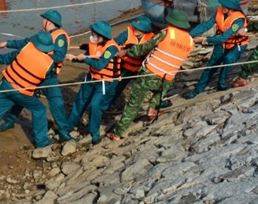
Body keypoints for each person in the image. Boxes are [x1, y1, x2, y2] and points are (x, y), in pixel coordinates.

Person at [106, 10, 194, 141]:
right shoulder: (190, 41)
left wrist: (126, 52)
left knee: (133, 104)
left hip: (150, 72)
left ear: (171, 23)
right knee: (159, 94)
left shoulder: (167, 33)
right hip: (168, 76)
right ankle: (152, 110)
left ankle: (117, 133)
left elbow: (144, 48)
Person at [0, 10, 72, 142]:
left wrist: (40, 59)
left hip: (48, 75)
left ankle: (63, 131)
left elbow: (59, 56)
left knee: (56, 102)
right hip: (34, 72)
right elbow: (26, 43)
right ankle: (11, 121)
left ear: (49, 22)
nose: (42, 21)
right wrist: (7, 43)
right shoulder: (42, 35)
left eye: (44, 19)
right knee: (22, 96)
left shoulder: (60, 38)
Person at [0, 31, 56, 149]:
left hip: (6, 85)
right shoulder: (49, 64)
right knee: (40, 109)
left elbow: (7, 58)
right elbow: (45, 80)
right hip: (22, 93)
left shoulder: (26, 48)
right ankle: (42, 142)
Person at [183, 0, 249, 99]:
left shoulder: (238, 20)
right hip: (221, 44)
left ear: (231, 8)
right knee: (211, 66)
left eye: (225, 6)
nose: (222, 7)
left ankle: (221, 82)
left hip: (236, 45)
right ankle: (197, 91)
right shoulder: (219, 12)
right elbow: (206, 25)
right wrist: (189, 35)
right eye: (222, 5)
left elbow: (224, 37)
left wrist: (204, 39)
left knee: (229, 59)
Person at [66, 21, 119, 144]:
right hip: (91, 78)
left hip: (104, 82)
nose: (92, 36)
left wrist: (85, 59)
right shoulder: (94, 44)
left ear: (102, 36)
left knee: (95, 105)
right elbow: (86, 57)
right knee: (80, 101)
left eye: (94, 34)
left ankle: (94, 131)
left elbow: (100, 64)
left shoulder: (110, 48)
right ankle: (69, 125)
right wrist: (73, 58)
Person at [101, 16, 156, 112]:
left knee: (149, 86)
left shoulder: (151, 38)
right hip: (125, 66)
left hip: (141, 68)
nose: (135, 30)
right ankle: (104, 108)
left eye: (138, 29)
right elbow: (114, 44)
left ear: (145, 30)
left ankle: (155, 103)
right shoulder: (127, 33)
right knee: (115, 88)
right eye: (135, 27)